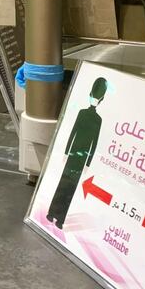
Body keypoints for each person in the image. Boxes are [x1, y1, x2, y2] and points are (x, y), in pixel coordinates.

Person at [46, 77, 108, 229]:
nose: (94, 99)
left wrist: (88, 162)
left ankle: (60, 218)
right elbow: (72, 132)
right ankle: (52, 213)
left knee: (71, 186)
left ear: (101, 99)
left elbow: (95, 142)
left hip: (82, 156)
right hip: (73, 153)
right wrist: (66, 152)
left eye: (96, 98)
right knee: (64, 181)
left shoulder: (98, 120)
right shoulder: (81, 113)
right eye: (93, 96)